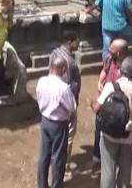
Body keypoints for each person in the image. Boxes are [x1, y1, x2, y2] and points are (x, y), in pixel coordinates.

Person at [93, 56, 132, 188]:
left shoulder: (111, 86)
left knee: (108, 170)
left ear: (121, 71)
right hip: (129, 135)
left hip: (109, 134)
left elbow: (97, 108)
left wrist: (92, 101)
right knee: (125, 169)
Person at [36, 56, 76, 188]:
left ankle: (42, 184)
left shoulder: (41, 81)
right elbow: (71, 107)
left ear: (50, 66)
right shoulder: (63, 88)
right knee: (58, 157)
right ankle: (57, 185)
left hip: (45, 122)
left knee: (44, 155)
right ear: (63, 69)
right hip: (58, 125)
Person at [49, 35, 81, 179]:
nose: (78, 44)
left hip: (52, 104)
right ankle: (65, 166)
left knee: (54, 136)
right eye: (77, 41)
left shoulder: (54, 53)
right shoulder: (70, 62)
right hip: (66, 106)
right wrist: (73, 107)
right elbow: (72, 88)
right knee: (67, 137)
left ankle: (54, 160)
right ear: (70, 41)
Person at [92, 39, 128, 165]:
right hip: (103, 100)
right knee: (98, 129)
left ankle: (114, 159)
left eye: (112, 50)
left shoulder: (127, 68)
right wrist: (99, 82)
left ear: (119, 53)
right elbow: (104, 71)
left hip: (117, 104)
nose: (109, 51)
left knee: (115, 130)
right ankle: (97, 156)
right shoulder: (108, 59)